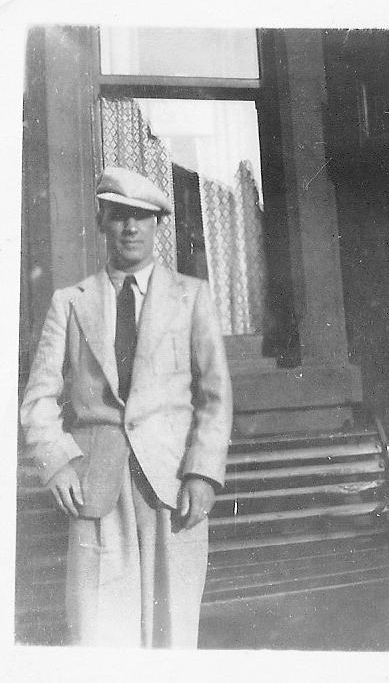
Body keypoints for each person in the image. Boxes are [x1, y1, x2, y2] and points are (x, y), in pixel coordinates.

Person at [20, 166, 233, 648]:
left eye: (141, 217)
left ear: (158, 223)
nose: (130, 228)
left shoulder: (192, 297)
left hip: (171, 482)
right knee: (99, 631)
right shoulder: (69, 304)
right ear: (102, 222)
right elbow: (39, 398)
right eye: (118, 216)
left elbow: (215, 395)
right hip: (96, 486)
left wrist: (203, 473)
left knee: (173, 629)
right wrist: (56, 465)